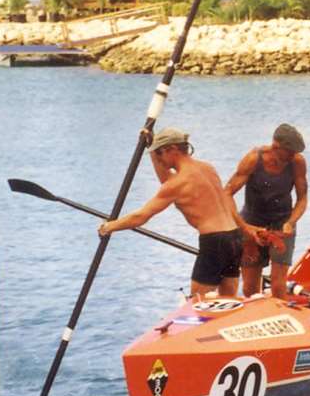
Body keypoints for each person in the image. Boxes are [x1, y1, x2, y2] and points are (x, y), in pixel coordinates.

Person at [98, 128, 259, 298]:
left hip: (214, 242)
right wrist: (152, 149)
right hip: (234, 238)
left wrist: (109, 227)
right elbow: (167, 182)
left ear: (172, 149)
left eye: (160, 153)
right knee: (228, 300)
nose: (159, 159)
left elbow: (140, 217)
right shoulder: (207, 168)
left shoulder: (177, 184)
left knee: (198, 302)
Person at [225, 122, 309, 297]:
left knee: (279, 286)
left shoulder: (297, 162)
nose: (294, 155)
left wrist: (291, 222)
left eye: (296, 152)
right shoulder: (253, 160)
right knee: (250, 287)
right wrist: (244, 227)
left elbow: (302, 199)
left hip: (282, 223)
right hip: (252, 223)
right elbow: (226, 194)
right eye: (290, 151)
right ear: (276, 146)